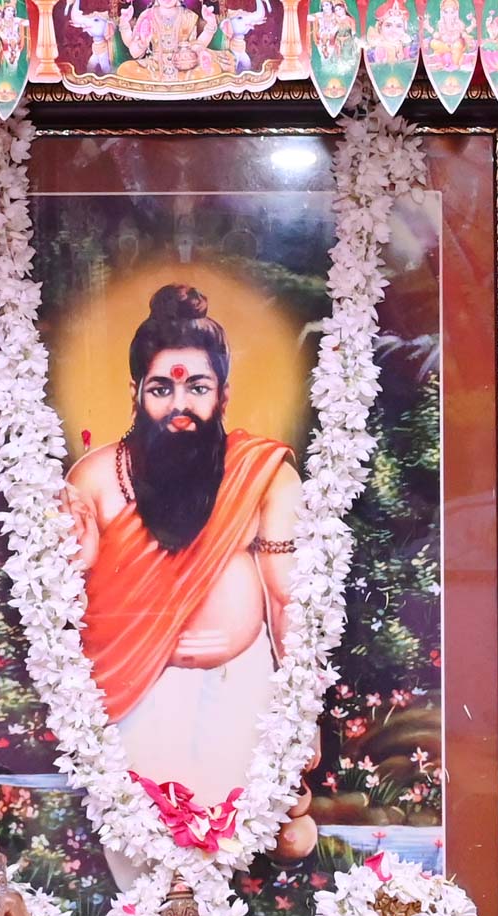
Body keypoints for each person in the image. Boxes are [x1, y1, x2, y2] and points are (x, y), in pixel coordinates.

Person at [61, 284, 301, 880]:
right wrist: (83, 559)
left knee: (225, 853)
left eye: (197, 387)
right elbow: (58, 609)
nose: (180, 405)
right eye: (161, 389)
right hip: (135, 690)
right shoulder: (94, 477)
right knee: (140, 855)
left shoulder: (261, 472)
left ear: (223, 394)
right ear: (136, 392)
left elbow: (286, 596)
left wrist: (302, 713)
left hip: (241, 688)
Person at [115, 0, 233, 82]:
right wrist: (142, 43)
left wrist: (210, 26)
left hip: (184, 67)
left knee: (214, 69)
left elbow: (195, 45)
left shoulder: (188, 16)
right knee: (125, 69)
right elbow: (134, 53)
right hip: (154, 66)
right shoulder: (147, 15)